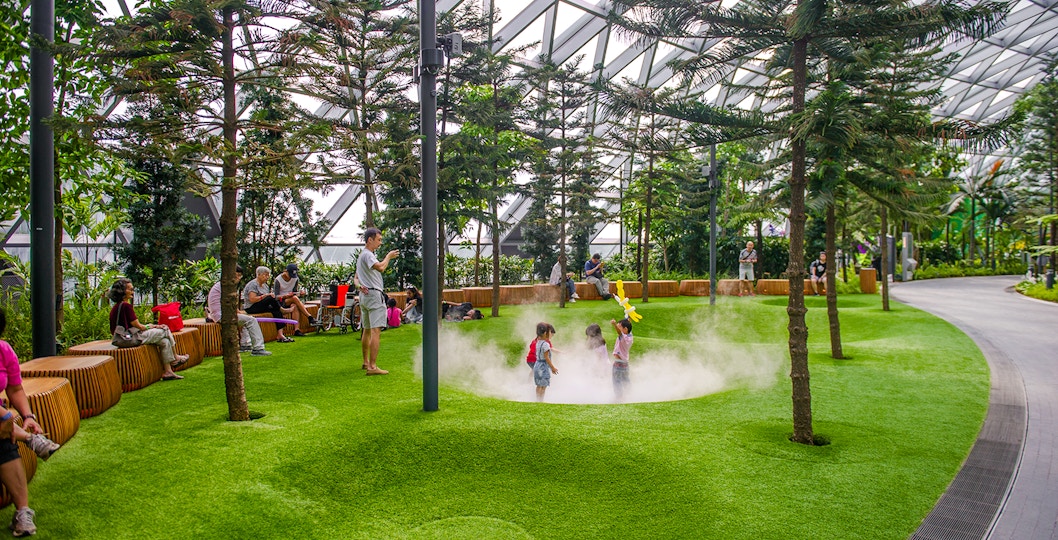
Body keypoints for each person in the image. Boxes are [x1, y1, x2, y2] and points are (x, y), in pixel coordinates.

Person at [0, 308, 61, 537]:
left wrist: (27, 416)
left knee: (4, 442)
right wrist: (7, 417)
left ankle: (23, 512)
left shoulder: (3, 350)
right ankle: (31, 440)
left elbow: (15, 388)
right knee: (4, 424)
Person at [109, 278, 189, 381]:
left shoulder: (116, 307)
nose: (132, 291)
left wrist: (150, 326)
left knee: (164, 341)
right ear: (122, 291)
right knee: (165, 329)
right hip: (131, 339)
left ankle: (168, 371)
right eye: (130, 289)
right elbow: (139, 326)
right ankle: (175, 357)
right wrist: (151, 326)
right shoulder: (126, 306)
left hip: (124, 337)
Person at [355, 227, 399, 375]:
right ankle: (373, 367)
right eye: (378, 240)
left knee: (366, 330)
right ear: (370, 240)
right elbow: (380, 267)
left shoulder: (362, 256)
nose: (380, 243)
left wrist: (359, 286)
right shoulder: (368, 255)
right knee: (375, 330)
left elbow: (357, 277)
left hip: (365, 297)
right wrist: (388, 257)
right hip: (373, 296)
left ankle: (365, 362)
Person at [207, 265, 271, 356]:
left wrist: (238, 311)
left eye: (240, 276)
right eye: (237, 275)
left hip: (219, 314)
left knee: (246, 319)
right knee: (252, 320)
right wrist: (237, 311)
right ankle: (258, 348)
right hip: (222, 315)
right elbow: (229, 303)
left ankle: (245, 345)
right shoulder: (226, 286)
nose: (238, 278)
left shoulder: (222, 285)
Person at [243, 266, 294, 343]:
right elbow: (252, 299)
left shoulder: (265, 286)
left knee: (276, 310)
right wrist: (265, 296)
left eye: (268, 275)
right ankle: (282, 309)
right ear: (259, 274)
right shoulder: (253, 284)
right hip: (251, 307)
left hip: (261, 306)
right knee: (270, 298)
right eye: (265, 275)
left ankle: (280, 335)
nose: (267, 277)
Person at [272, 263, 317, 335]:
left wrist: (300, 293)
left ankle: (297, 329)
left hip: (291, 299)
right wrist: (286, 296)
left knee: (294, 306)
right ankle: (309, 317)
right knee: (294, 298)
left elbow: (295, 291)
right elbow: (276, 296)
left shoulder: (295, 279)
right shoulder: (278, 280)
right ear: (285, 271)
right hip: (281, 301)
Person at [532, 322, 558, 401]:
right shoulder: (546, 344)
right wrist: (553, 368)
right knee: (543, 386)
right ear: (546, 333)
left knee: (538, 385)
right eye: (550, 332)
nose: (551, 334)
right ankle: (541, 401)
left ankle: (537, 400)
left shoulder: (538, 342)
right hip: (543, 366)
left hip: (537, 365)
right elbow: (546, 357)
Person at [610, 318, 634, 401]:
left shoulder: (623, 338)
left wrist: (614, 324)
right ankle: (629, 395)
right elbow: (627, 329)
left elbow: (620, 333)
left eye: (619, 326)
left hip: (618, 364)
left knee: (616, 382)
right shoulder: (630, 337)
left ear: (625, 329)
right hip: (625, 364)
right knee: (626, 380)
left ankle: (619, 398)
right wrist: (628, 320)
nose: (618, 327)